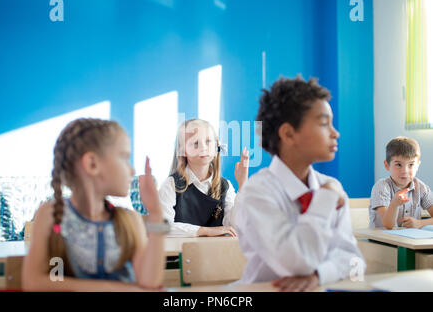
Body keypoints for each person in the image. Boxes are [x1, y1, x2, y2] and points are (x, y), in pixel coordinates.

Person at [234, 76, 365, 291]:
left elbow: (355, 263)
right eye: (324, 123)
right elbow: (297, 263)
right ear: (288, 133)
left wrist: (320, 275)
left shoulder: (330, 186)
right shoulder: (257, 193)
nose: (335, 133)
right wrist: (324, 200)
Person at [22, 118, 168, 291]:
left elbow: (150, 283)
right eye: (124, 157)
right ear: (92, 164)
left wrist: (156, 214)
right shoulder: (51, 215)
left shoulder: (130, 220)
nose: (132, 170)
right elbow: (35, 283)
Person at [159, 118, 249, 237]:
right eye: (195, 143)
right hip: (179, 255)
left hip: (216, 254)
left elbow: (235, 226)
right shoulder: (171, 184)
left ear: (217, 146)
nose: (203, 147)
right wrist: (204, 231)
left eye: (208, 141)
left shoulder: (225, 186)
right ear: (183, 150)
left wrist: (242, 184)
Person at [369, 136, 433, 229]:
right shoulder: (382, 187)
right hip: (382, 241)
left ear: (417, 165)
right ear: (387, 165)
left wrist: (420, 223)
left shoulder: (421, 187)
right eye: (398, 165)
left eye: (411, 165)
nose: (405, 171)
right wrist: (394, 204)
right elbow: (388, 225)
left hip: (410, 241)